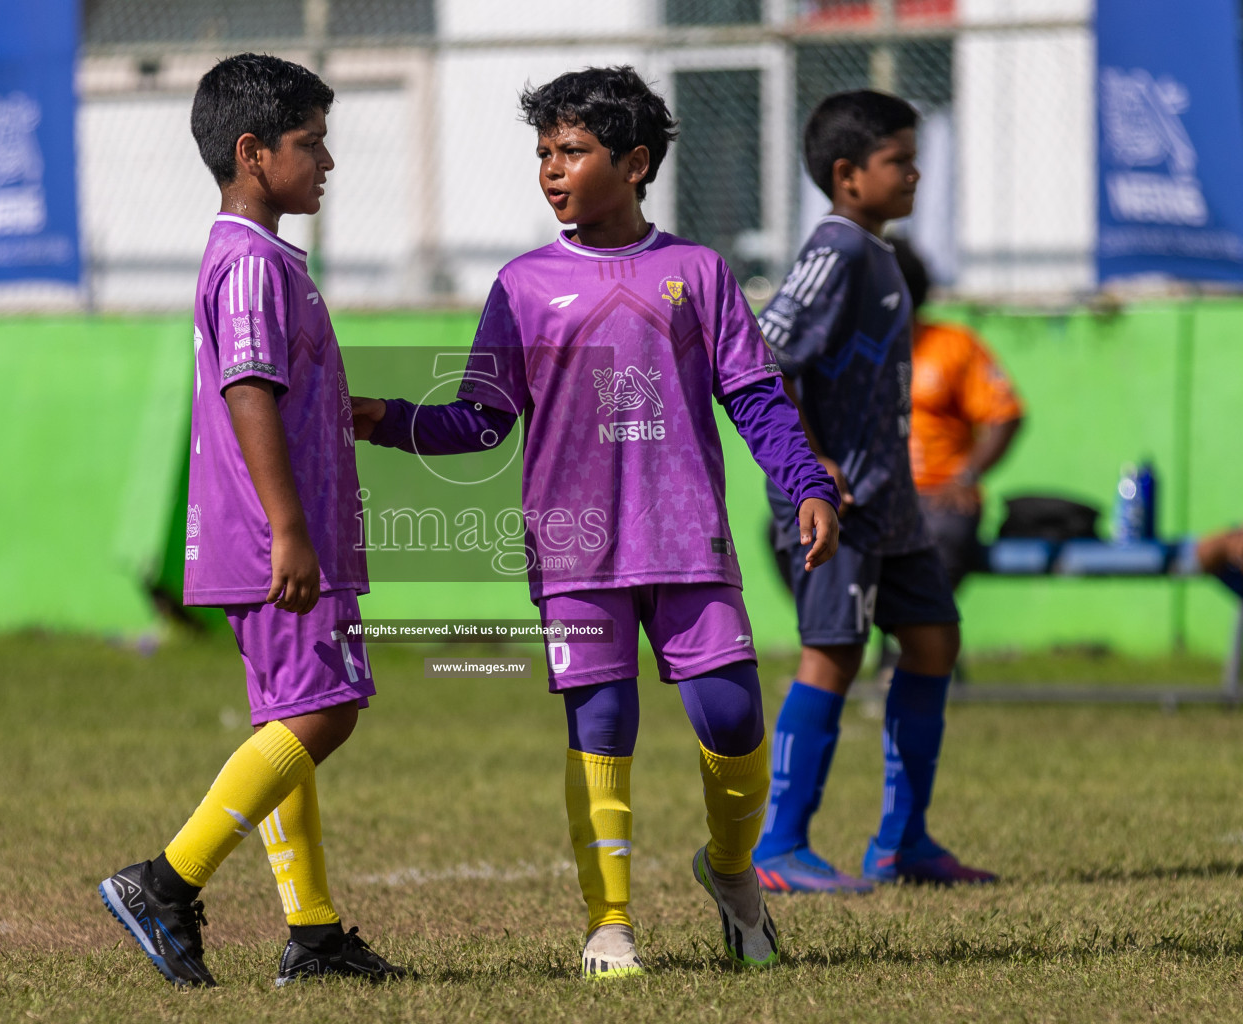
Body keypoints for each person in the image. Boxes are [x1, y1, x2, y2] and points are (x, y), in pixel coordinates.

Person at [352, 67, 841, 978]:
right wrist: (384, 419)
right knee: (600, 723)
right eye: (543, 152)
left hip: (686, 536)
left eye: (572, 150)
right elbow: (480, 418)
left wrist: (806, 483)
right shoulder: (523, 287)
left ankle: (732, 877)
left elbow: (755, 397)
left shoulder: (699, 274)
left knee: (731, 716)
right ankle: (609, 923)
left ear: (636, 162)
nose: (551, 169)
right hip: (574, 552)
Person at [98, 53, 404, 989]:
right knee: (326, 710)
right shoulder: (247, 264)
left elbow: (279, 390)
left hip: (279, 534)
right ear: (252, 152)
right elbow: (248, 391)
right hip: (277, 540)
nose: (327, 162)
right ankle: (166, 879)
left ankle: (312, 937)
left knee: (292, 712)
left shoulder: (264, 260)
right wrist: (290, 529)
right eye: (310, 144)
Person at [750, 91, 995, 893]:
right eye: (899, 159)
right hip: (837, 508)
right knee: (833, 655)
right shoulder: (837, 250)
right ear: (848, 175)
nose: (916, 171)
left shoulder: (883, 254)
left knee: (933, 641)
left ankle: (903, 844)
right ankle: (779, 848)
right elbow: (765, 358)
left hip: (894, 505)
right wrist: (812, 466)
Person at [893, 238, 1023, 590]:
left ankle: (911, 643)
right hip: (877, 494)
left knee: (936, 548)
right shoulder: (852, 354)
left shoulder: (953, 345)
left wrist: (965, 477)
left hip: (940, 497)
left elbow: (1006, 415)